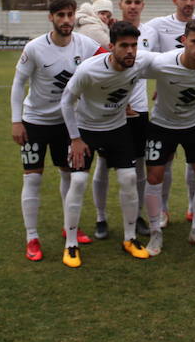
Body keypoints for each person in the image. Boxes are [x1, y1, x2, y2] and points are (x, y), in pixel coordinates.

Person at [9, 0, 104, 265]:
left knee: (69, 176)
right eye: (60, 15)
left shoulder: (85, 44)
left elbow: (112, 60)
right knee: (33, 179)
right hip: (35, 122)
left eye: (69, 15)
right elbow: (18, 84)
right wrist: (17, 120)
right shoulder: (35, 48)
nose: (66, 20)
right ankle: (32, 237)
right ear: (51, 17)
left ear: (75, 17)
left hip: (67, 123)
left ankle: (69, 227)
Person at [60, 21, 157, 267]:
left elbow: (170, 59)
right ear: (111, 47)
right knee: (79, 180)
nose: (130, 52)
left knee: (128, 179)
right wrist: (75, 139)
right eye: (124, 46)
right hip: (86, 131)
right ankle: (71, 243)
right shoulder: (89, 70)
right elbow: (66, 102)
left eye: (134, 46)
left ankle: (130, 238)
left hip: (117, 129)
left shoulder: (140, 62)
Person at [140, 19, 195, 255]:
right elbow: (131, 70)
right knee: (155, 176)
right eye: (194, 41)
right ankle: (155, 233)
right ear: (184, 41)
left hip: (193, 126)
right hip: (161, 125)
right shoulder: (162, 62)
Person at [141, 0, 195, 227]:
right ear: (175, 0)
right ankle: (161, 210)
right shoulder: (157, 25)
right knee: (164, 161)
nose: (188, 3)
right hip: (166, 101)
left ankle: (194, 208)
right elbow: (140, 49)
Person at [90, 0, 150, 240]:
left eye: (137, 2)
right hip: (111, 111)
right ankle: (101, 217)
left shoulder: (152, 30)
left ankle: (136, 215)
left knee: (139, 166)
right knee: (103, 165)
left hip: (140, 110)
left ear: (143, 5)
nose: (133, 6)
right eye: (129, 2)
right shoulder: (108, 34)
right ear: (120, 4)